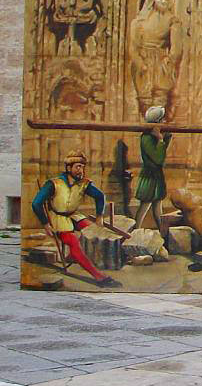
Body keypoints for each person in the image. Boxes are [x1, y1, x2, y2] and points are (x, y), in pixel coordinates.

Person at [31, 152, 121, 287]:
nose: (81, 171)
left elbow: (100, 196)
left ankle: (79, 257)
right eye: (78, 167)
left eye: (82, 167)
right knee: (73, 241)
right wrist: (45, 224)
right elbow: (36, 203)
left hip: (74, 215)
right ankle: (98, 276)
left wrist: (99, 217)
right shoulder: (54, 184)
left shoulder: (84, 183)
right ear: (69, 168)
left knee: (93, 231)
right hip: (58, 218)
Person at [134, 105, 171, 248]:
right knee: (145, 205)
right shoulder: (147, 139)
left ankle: (163, 236)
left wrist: (164, 138)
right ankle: (134, 234)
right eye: (162, 119)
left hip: (156, 176)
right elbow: (158, 158)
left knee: (157, 207)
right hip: (149, 176)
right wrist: (161, 140)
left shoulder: (154, 137)